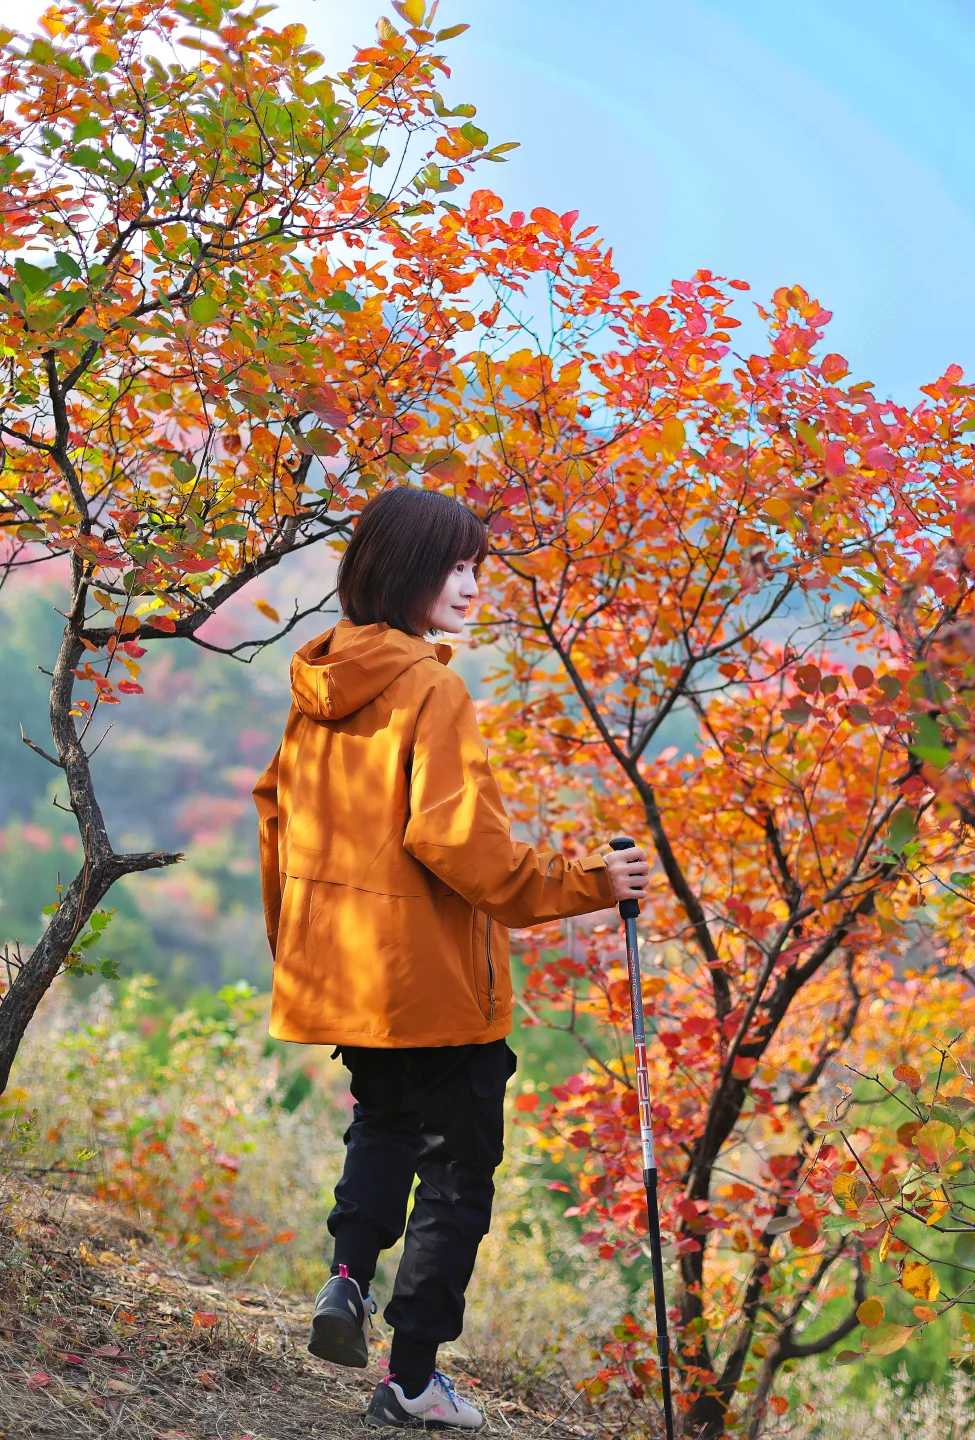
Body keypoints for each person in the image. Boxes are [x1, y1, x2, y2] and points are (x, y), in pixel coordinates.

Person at [253, 487, 650, 1431]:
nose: (473, 586)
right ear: (402, 570)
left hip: (347, 973)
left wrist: (298, 950)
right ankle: (413, 1378)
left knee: (384, 1128)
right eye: (455, 566)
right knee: (461, 1175)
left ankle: (346, 1278)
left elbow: (276, 820)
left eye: (479, 566)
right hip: (433, 986)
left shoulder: (318, 686)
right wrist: (593, 881)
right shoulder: (433, 687)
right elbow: (461, 846)